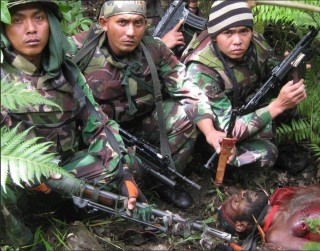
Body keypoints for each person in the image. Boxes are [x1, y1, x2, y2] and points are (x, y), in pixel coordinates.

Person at [0, 0, 146, 248]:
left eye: (39, 18)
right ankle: (21, 241)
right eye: (17, 20)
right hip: (21, 180)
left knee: (126, 161)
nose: (31, 29)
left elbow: (98, 124)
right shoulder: (4, 79)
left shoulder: (66, 71)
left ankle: (69, 207)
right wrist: (33, 174)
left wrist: (123, 172)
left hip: (63, 173)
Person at [69, 0, 231, 209]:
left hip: (142, 123)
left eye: (138, 23)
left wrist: (210, 132)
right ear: (104, 23)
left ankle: (164, 180)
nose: (131, 32)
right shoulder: (79, 49)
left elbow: (187, 89)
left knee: (184, 115)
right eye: (122, 22)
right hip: (98, 133)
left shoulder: (154, 49)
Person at [181, 0, 307, 173]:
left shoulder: (256, 42)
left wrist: (291, 69)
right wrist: (277, 106)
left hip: (246, 104)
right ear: (215, 36)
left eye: (244, 31)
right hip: (217, 130)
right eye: (228, 33)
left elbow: (272, 69)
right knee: (266, 154)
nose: (238, 40)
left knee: (292, 97)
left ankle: (282, 144)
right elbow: (228, 129)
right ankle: (220, 166)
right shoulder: (202, 70)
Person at [218, 184, 320, 250]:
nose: (243, 193)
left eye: (239, 193)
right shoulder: (276, 237)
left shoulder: (282, 194)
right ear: (241, 225)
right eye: (236, 202)